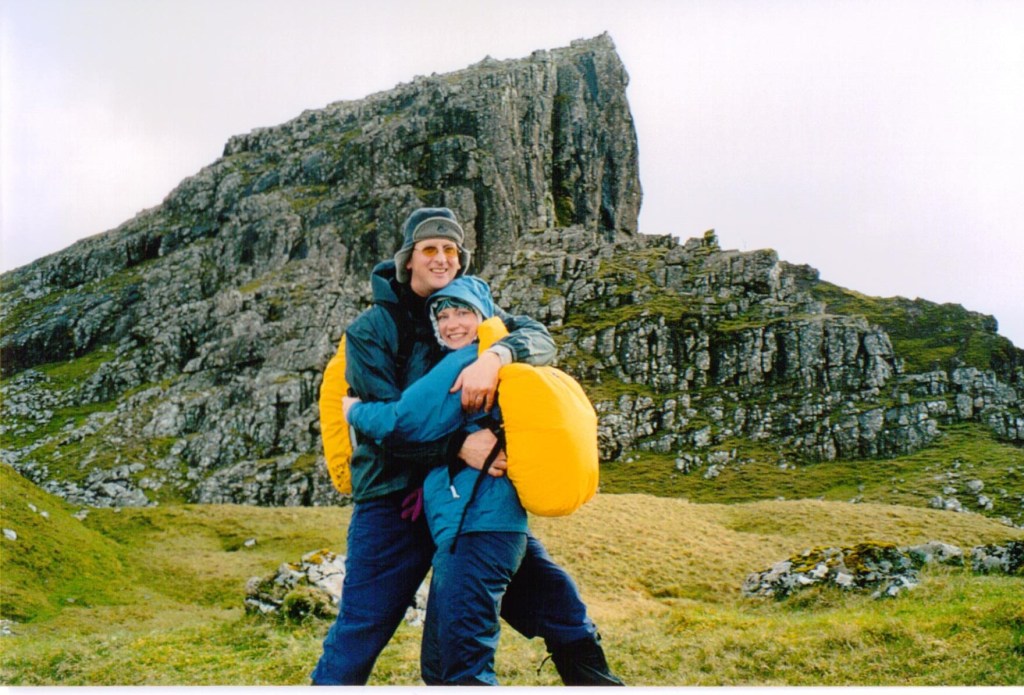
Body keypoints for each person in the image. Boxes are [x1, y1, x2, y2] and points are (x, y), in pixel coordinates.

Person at [310, 207, 622, 686]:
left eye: (450, 251)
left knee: (556, 604)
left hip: (463, 501)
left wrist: (495, 356)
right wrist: (457, 446)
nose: (440, 259)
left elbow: (536, 338)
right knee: (361, 630)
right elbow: (385, 426)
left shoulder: (470, 310)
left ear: (460, 261)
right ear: (408, 260)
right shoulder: (371, 331)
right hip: (394, 500)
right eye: (429, 249)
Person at [343, 275, 530, 685]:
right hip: (473, 524)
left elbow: (401, 422)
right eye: (442, 315)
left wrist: (353, 411)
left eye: (462, 311)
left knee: (461, 669)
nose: (451, 323)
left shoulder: (464, 362)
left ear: (485, 316)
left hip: (476, 527)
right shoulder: (493, 356)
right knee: (444, 665)